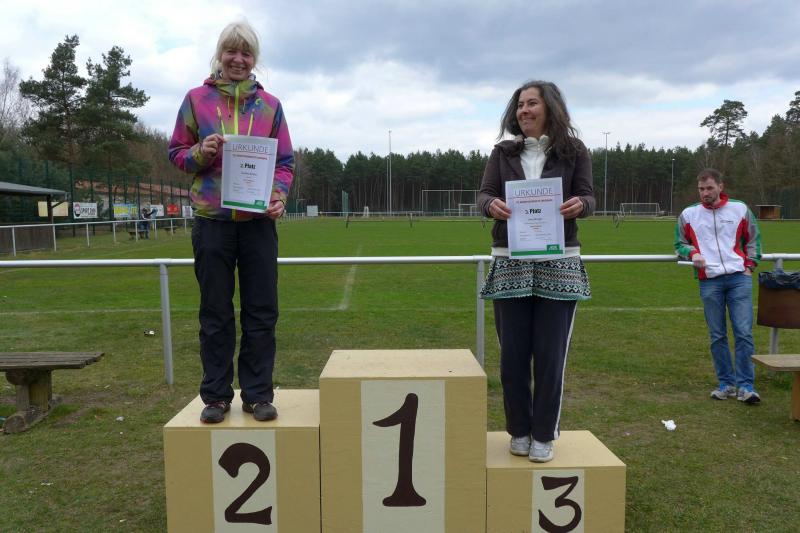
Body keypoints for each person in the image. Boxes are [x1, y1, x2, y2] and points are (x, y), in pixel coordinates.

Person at [168, 20, 294, 423]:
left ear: (254, 59)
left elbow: (285, 162)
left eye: (246, 53)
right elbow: (176, 154)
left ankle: (257, 394)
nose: (238, 59)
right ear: (220, 55)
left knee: (262, 311)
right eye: (231, 51)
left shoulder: (271, 106)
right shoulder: (195, 100)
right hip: (213, 223)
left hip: (258, 225)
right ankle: (216, 396)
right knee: (215, 313)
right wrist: (199, 152)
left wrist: (279, 196)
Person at [478, 80, 594, 462]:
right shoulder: (502, 152)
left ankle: (544, 433)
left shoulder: (574, 151)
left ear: (550, 108)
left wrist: (581, 205)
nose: (523, 110)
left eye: (531, 103)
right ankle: (519, 430)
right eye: (519, 105)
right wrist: (491, 205)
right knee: (512, 355)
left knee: (550, 354)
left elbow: (589, 195)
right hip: (509, 259)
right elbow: (484, 194)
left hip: (559, 260)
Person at [675, 168, 762, 404]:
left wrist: (749, 265)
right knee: (717, 335)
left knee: (743, 332)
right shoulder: (688, 214)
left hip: (739, 278)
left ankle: (746, 386)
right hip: (709, 280)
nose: (705, 193)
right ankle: (726, 384)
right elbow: (679, 243)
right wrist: (692, 253)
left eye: (709, 188)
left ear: (720, 187)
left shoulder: (740, 209)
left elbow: (754, 239)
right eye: (701, 189)